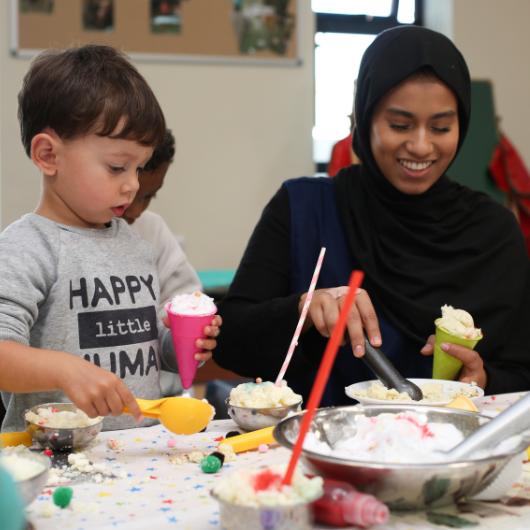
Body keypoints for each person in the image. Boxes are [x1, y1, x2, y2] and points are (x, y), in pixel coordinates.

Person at [214, 26, 530, 406]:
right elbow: (230, 344)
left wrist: (483, 377)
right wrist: (301, 309)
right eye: (399, 125)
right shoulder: (304, 208)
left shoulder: (493, 231)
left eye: (441, 127)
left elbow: (521, 370)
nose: (420, 145)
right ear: (364, 118)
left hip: (452, 453)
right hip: (321, 451)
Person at [0, 45, 220, 432]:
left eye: (139, 168)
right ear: (48, 155)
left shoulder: (136, 246)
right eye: (117, 167)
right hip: (56, 462)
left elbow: (148, 354)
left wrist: (182, 347)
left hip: (136, 454)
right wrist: (66, 370)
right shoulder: (27, 247)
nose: (132, 185)